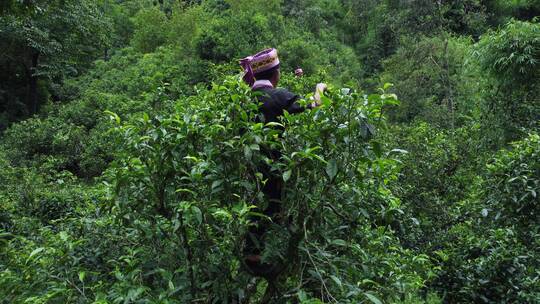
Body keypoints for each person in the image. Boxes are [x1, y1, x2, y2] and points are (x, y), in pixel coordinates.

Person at [239, 48, 327, 272]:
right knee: (271, 207)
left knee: (260, 207)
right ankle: (254, 257)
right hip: (274, 165)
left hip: (250, 165)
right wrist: (320, 88)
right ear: (276, 74)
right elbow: (314, 106)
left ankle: (255, 253)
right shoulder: (278, 96)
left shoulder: (244, 100)